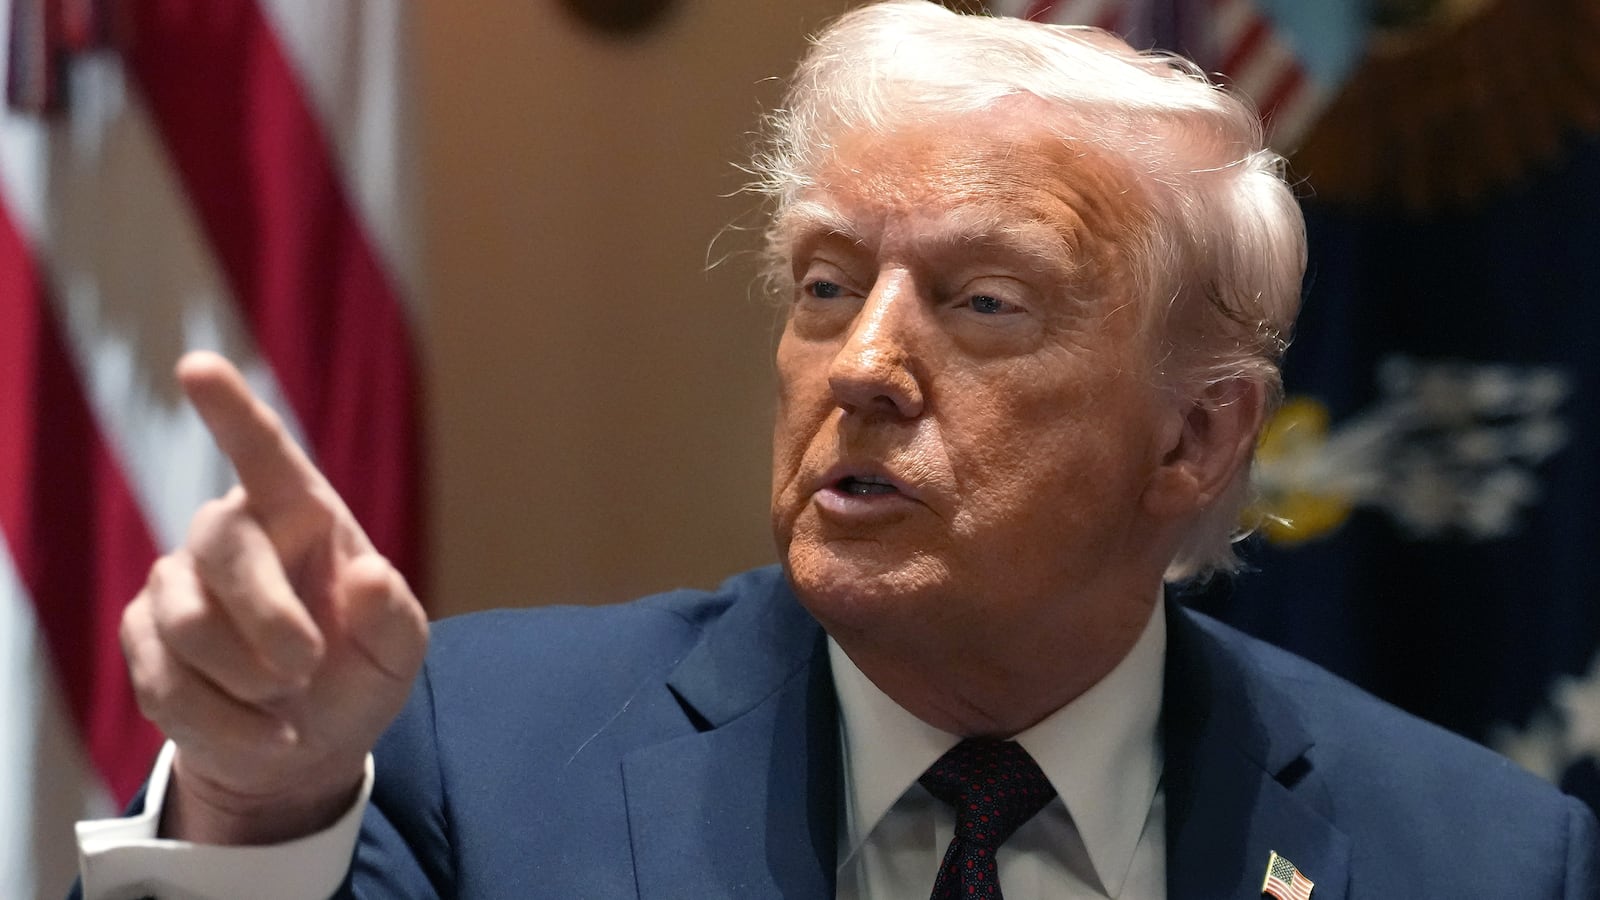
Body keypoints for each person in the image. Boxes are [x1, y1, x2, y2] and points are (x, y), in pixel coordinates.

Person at [74, 2, 1597, 898]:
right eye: (824, 285)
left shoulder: (1484, 860)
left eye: (983, 303)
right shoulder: (475, 755)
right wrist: (253, 806)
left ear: (1196, 437)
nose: (860, 366)